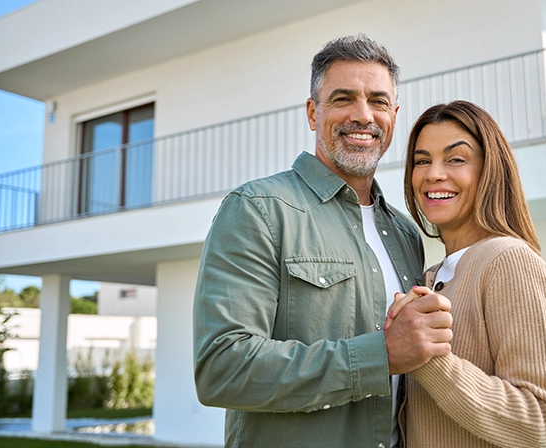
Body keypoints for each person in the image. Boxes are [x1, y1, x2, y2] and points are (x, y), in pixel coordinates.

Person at [192, 35, 453, 448]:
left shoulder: (405, 232)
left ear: (394, 116)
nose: (363, 115)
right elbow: (222, 369)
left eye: (378, 101)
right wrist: (380, 355)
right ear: (313, 113)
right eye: (343, 98)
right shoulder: (259, 209)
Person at [385, 100, 546, 447]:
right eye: (421, 160)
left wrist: (426, 358)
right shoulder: (429, 275)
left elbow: (545, 425)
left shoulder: (509, 261)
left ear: (489, 170)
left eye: (456, 159)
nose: (433, 174)